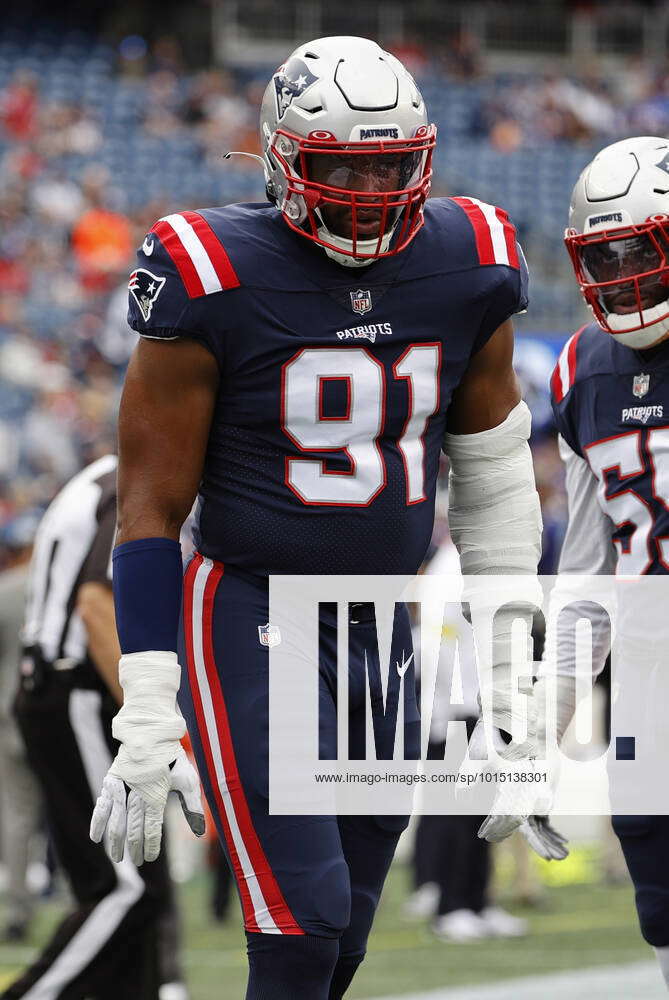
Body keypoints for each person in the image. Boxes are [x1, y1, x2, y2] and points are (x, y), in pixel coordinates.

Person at [90, 35, 548, 1000]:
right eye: (342, 163)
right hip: (252, 606)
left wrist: (512, 684)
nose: (369, 188)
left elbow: (496, 481)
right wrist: (147, 698)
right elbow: (150, 507)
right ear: (282, 160)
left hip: (383, 623)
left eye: (390, 164)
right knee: (302, 919)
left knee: (344, 934)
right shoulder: (208, 268)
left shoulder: (472, 257)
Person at [541, 135, 669, 987]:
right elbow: (587, 573)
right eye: (605, 254)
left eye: (641, 248)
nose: (624, 273)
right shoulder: (582, 368)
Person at [2, 456, 188, 1000]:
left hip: (61, 689)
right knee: (123, 890)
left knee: (138, 882)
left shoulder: (102, 475)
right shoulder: (139, 477)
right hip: (76, 691)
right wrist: (156, 721)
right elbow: (96, 606)